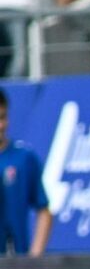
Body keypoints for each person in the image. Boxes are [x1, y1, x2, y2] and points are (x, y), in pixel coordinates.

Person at [0, 89, 51, 256]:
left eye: (3, 117)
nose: (1, 125)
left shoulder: (23, 158)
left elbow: (43, 209)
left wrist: (34, 256)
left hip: (15, 260)